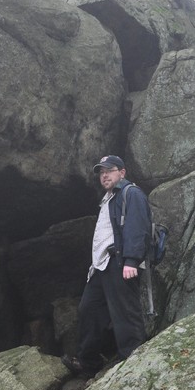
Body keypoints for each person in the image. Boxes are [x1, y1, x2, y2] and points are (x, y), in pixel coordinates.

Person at [61, 155, 151, 376]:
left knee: (125, 312)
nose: (104, 176)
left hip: (120, 262)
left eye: (109, 171)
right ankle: (88, 362)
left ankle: (133, 362)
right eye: (101, 173)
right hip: (101, 266)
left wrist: (131, 260)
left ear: (122, 172)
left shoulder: (131, 193)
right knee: (89, 309)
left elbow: (137, 228)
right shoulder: (108, 199)